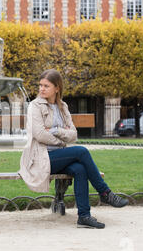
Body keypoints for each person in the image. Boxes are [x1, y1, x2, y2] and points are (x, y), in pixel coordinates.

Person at [18, 69, 128, 229]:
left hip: (59, 155)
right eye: (40, 85)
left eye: (46, 86)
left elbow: (73, 135)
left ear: (57, 88)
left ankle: (84, 216)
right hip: (41, 157)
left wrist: (55, 131)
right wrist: (61, 137)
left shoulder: (62, 107)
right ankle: (105, 193)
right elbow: (40, 134)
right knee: (81, 151)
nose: (41, 89)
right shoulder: (35, 106)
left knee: (80, 169)